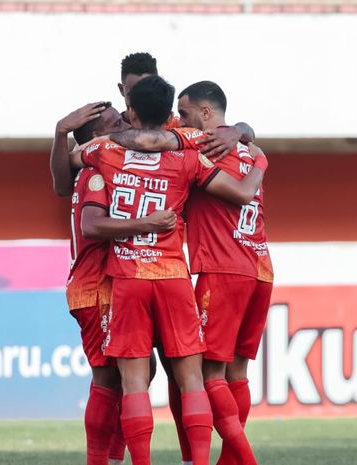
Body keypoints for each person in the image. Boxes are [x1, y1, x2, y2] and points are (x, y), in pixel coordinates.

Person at [67, 75, 268, 465]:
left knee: (134, 382)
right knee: (193, 378)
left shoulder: (104, 152)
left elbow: (70, 168)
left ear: (133, 111)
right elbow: (238, 180)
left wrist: (65, 135)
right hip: (175, 276)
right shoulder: (190, 152)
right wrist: (251, 146)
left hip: (127, 279)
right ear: (171, 116)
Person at [51, 103, 176, 465]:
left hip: (102, 286)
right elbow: (92, 226)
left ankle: (113, 458)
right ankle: (100, 460)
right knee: (110, 378)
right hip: (96, 288)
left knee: (140, 371)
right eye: (114, 122)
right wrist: (148, 224)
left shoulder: (106, 167)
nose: (123, 124)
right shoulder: (94, 172)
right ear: (94, 138)